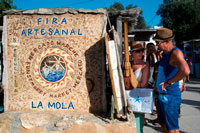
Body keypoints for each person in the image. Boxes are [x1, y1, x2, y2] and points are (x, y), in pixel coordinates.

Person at [153, 28, 190, 133]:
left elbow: (185, 70)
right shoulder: (165, 54)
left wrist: (169, 82)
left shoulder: (176, 53)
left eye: (158, 42)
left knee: (172, 129)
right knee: (164, 125)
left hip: (170, 96)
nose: (156, 45)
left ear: (167, 42)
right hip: (162, 95)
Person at [126, 41, 150, 133]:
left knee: (137, 125)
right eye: (138, 51)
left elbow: (144, 84)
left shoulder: (144, 66)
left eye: (142, 51)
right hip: (127, 97)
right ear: (132, 53)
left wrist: (131, 84)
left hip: (138, 98)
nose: (141, 53)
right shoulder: (127, 64)